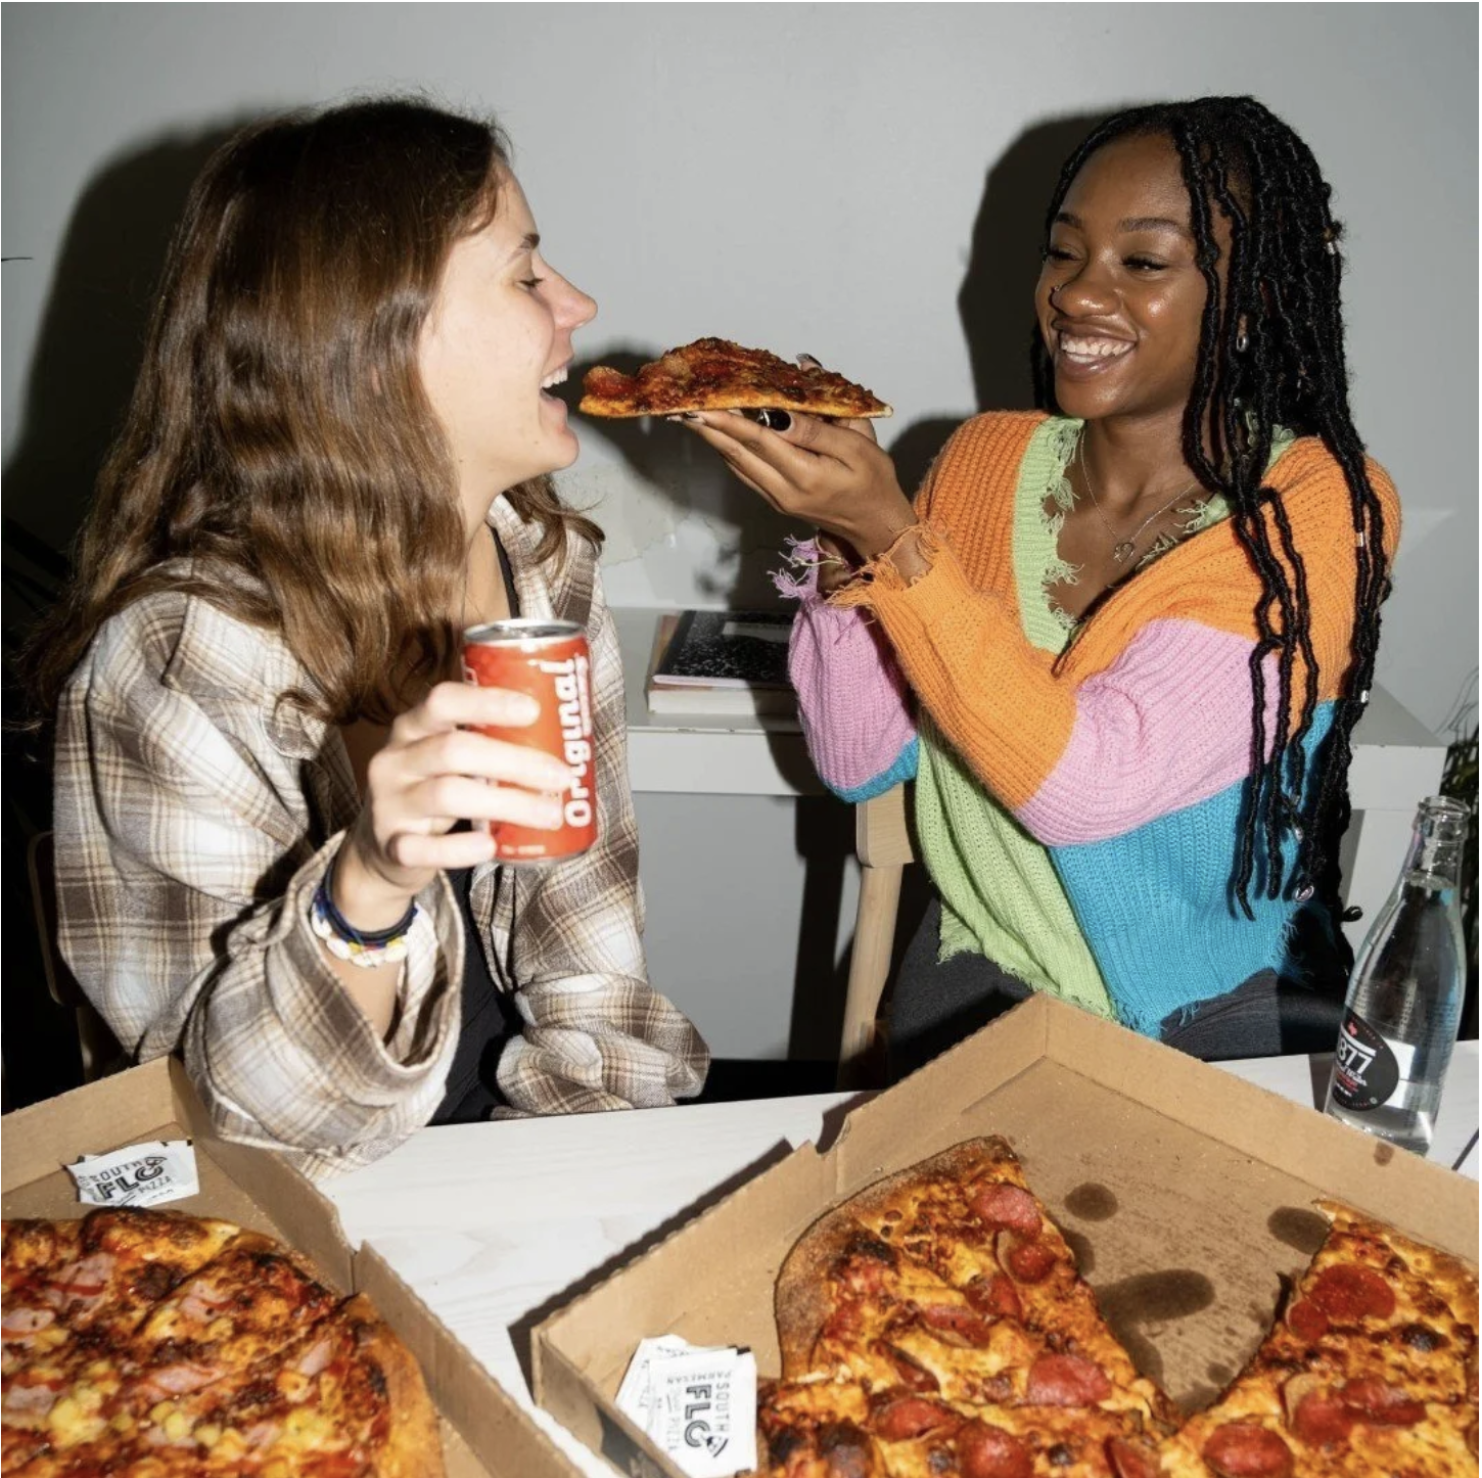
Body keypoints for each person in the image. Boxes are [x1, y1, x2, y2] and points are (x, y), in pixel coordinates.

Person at [20, 98, 708, 1175]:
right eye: (526, 273)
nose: (577, 303)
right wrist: (372, 889)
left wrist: (564, 1192)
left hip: (499, 1156)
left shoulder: (544, 568)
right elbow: (228, 1136)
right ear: (378, 344)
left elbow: (592, 971)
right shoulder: (179, 657)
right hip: (285, 1218)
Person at [680, 97, 1400, 1075]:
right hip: (991, 964)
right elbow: (860, 757)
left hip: (1222, 997)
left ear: (1258, 297)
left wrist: (893, 535)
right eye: (1064, 254)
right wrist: (850, 538)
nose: (1078, 294)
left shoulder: (1318, 509)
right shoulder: (982, 460)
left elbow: (1091, 786)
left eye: (1142, 263)